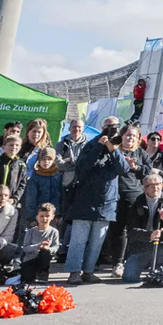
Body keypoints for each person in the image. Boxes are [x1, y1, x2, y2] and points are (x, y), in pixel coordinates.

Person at [63, 122, 133, 285]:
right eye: (109, 128)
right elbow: (83, 167)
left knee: (97, 242)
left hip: (107, 203)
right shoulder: (91, 144)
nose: (111, 132)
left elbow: (123, 169)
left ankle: (88, 271)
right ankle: (74, 272)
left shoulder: (116, 148)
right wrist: (98, 147)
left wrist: (112, 150)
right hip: (85, 201)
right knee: (78, 241)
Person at [20, 203, 60, 285]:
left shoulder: (54, 232)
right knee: (27, 279)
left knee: (45, 252)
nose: (44, 218)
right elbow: (25, 248)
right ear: (37, 217)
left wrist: (48, 248)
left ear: (52, 217)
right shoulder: (30, 231)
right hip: (30, 260)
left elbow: (56, 247)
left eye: (47, 216)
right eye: (41, 216)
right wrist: (38, 246)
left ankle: (43, 274)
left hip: (43, 258)